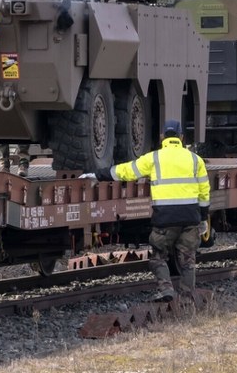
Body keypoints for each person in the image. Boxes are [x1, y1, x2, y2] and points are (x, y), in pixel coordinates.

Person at [83, 120, 210, 302]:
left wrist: (98, 174)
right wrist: (203, 218)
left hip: (165, 219)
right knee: (188, 261)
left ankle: (166, 289)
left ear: (162, 137)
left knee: (158, 257)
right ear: (181, 137)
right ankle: (187, 299)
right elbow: (204, 191)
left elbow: (126, 171)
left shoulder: (154, 158)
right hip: (190, 218)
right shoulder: (195, 159)